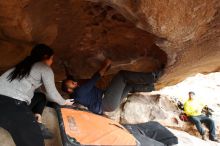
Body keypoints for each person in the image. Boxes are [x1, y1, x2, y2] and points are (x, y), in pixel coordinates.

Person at [0, 44, 74, 146]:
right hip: (11, 105)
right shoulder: (44, 67)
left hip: (5, 102)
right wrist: (64, 102)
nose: (52, 62)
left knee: (41, 97)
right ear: (45, 57)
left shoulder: (20, 67)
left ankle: (37, 119)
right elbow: (52, 94)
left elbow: (42, 93)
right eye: (51, 58)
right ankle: (32, 126)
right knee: (35, 142)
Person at [61, 59, 163, 115]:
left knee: (129, 86)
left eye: (73, 82)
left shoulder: (76, 94)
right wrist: (106, 65)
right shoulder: (79, 91)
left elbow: (70, 78)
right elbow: (95, 78)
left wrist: (65, 65)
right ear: (69, 90)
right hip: (106, 101)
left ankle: (151, 87)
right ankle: (153, 77)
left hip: (108, 106)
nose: (74, 83)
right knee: (122, 75)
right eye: (71, 84)